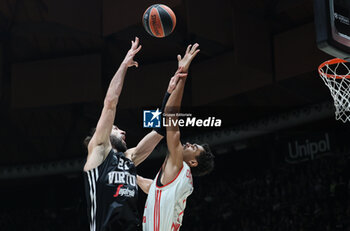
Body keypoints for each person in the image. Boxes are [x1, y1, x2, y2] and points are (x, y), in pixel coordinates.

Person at [82, 37, 186, 231]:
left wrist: (169, 91)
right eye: (115, 128)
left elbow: (159, 131)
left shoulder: (129, 158)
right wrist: (124, 64)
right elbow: (111, 102)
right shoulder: (98, 153)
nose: (122, 131)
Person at [137, 43, 215, 231]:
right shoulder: (178, 177)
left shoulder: (179, 165)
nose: (188, 144)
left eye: (193, 148)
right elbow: (153, 189)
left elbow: (170, 119)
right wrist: (131, 176)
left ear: (193, 162)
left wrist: (182, 75)